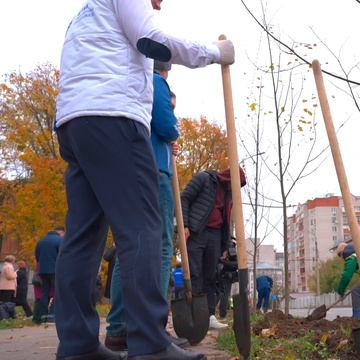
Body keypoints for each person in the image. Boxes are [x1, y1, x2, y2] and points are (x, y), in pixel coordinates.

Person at [53, 0, 235, 358]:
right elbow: (151, 41)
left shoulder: (85, 14)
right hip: (114, 118)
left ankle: (77, 346)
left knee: (83, 238)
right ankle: (149, 344)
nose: (161, 2)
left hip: (76, 124)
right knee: (144, 229)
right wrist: (215, 53)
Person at [105, 59, 187, 351]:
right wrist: (173, 131)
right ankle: (154, 328)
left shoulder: (125, 81)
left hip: (128, 168)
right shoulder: (156, 80)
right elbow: (165, 123)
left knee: (130, 246)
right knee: (163, 244)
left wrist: (167, 140)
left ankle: (119, 328)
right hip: (155, 171)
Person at [181, 168, 246, 330]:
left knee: (212, 276)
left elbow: (227, 222)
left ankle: (209, 316)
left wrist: (227, 246)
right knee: (195, 273)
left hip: (215, 236)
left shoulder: (229, 195)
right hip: (197, 232)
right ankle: (195, 314)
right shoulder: (204, 179)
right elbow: (184, 198)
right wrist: (184, 225)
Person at [35, 227, 63, 322]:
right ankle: (52, 314)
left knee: (44, 293)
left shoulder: (41, 242)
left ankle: (43, 315)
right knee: (57, 292)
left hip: (43, 271)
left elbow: (37, 256)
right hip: (55, 270)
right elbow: (62, 255)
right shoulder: (60, 240)